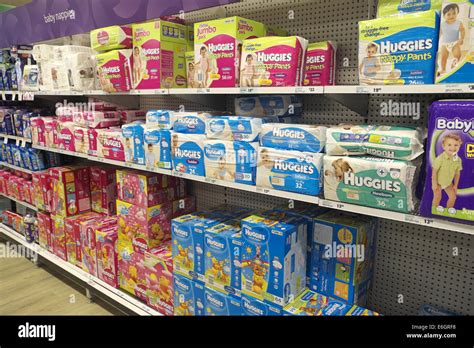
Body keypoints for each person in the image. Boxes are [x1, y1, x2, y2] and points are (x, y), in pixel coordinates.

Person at [432, 133, 463, 212]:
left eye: (456, 145)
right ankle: (434, 210)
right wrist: (434, 183)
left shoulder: (458, 160)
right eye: (449, 145)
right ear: (443, 146)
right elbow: (434, 171)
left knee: (453, 197)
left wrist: (455, 185)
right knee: (438, 197)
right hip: (438, 182)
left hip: (448, 183)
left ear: (459, 146)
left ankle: (448, 210)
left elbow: (457, 174)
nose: (453, 147)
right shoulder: (440, 158)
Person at [438, 3, 466, 76]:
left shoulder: (459, 23)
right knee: (443, 57)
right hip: (444, 44)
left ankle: (453, 68)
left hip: (455, 43)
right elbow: (440, 33)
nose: (451, 16)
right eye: (449, 14)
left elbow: (462, 30)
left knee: (457, 55)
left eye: (454, 13)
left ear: (457, 14)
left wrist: (461, 38)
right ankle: (443, 69)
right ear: (444, 16)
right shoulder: (442, 24)